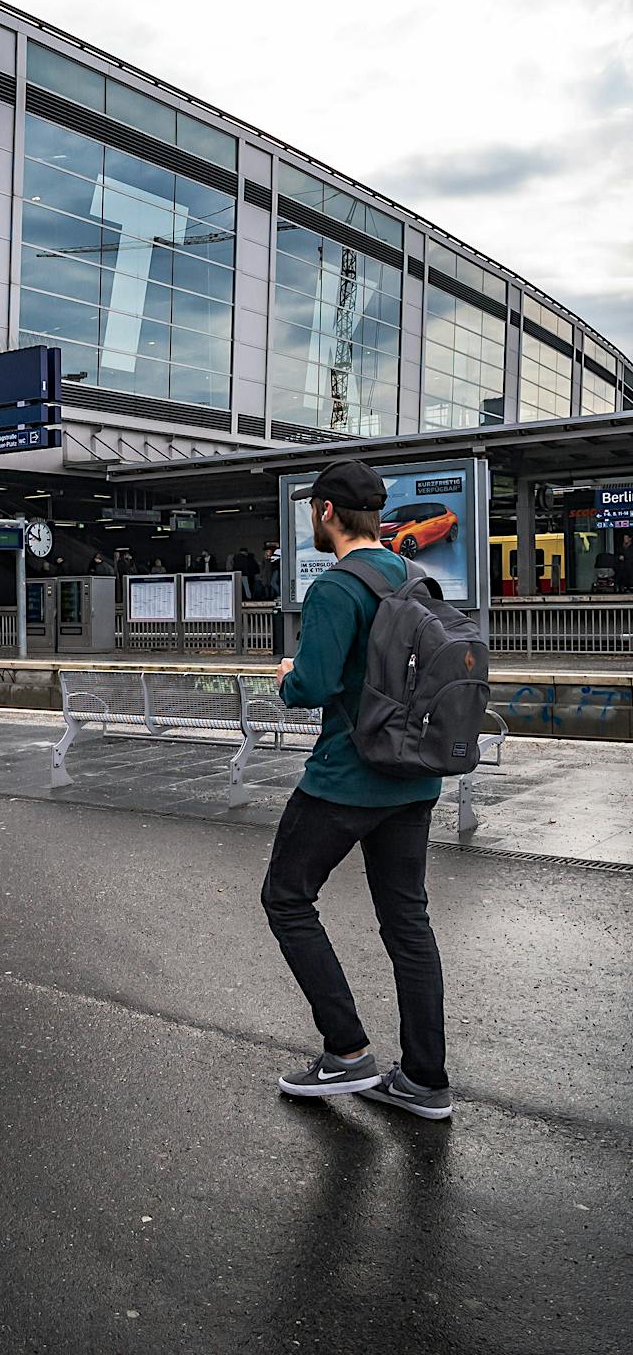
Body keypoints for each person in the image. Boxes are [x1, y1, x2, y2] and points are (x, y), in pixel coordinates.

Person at [261, 461, 452, 1121]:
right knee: (407, 922)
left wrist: (286, 676)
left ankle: (346, 1051)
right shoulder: (416, 577)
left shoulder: (336, 589)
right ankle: (425, 1081)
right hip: (414, 776)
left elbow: (311, 686)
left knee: (286, 897)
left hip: (348, 778)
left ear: (325, 513)